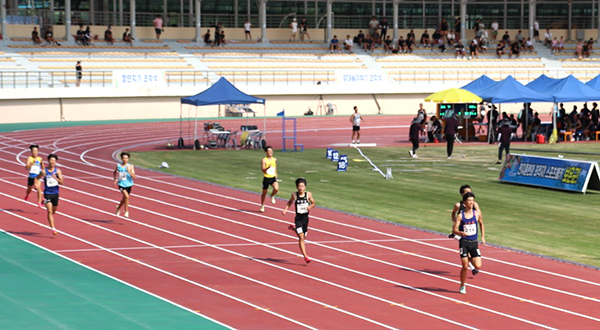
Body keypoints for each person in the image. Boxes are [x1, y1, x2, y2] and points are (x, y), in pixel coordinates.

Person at [453, 192, 485, 294]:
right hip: (464, 243)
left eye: (472, 201)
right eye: (469, 201)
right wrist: (460, 233)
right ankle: (462, 285)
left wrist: (483, 237)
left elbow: (481, 223)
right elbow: (454, 230)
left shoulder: (477, 214)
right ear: (464, 203)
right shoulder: (461, 216)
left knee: (478, 266)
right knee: (465, 266)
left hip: (474, 243)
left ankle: (468, 258)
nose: (471, 203)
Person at [283, 178, 315, 264]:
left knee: (303, 237)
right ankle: (305, 256)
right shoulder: (294, 195)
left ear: (305, 187)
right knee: (301, 237)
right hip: (298, 219)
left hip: (306, 219)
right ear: (297, 187)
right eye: (299, 186)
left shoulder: (308, 194)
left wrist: (310, 207)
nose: (301, 188)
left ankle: (293, 229)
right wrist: (285, 210)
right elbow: (290, 202)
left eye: (302, 186)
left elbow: (313, 203)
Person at [37, 154, 63, 235]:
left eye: (54, 161)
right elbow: (37, 177)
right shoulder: (44, 171)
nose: (52, 162)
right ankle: (53, 228)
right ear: (48, 161)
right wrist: (37, 185)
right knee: (49, 210)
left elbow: (62, 182)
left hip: (55, 193)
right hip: (47, 193)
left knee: (54, 211)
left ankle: (50, 219)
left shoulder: (58, 171)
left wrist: (56, 178)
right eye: (51, 160)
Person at [114, 152, 135, 218]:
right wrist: (115, 179)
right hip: (121, 184)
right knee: (127, 197)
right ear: (121, 158)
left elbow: (134, 177)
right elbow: (114, 172)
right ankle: (126, 211)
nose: (125, 159)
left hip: (129, 184)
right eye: (124, 158)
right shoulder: (118, 166)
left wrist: (129, 171)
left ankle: (118, 208)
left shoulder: (131, 166)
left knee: (124, 199)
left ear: (128, 159)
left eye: (126, 158)